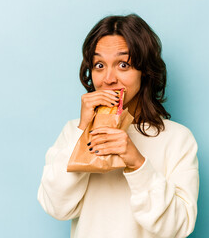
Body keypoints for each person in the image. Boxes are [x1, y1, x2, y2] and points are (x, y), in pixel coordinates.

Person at [37, 13, 199, 238]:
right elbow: (56, 207)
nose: (108, 78)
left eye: (123, 64)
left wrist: (137, 163)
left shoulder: (178, 138)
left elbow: (179, 227)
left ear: (146, 71)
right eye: (99, 65)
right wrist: (84, 130)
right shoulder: (73, 131)